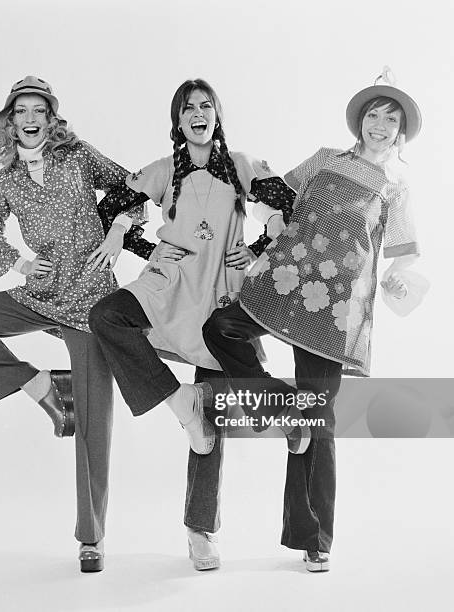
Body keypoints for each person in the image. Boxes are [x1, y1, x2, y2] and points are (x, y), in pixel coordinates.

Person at [202, 68, 422, 572]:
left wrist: (397, 280)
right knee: (220, 328)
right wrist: (274, 218)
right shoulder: (325, 160)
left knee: (318, 419)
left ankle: (314, 537)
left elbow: (403, 254)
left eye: (392, 119)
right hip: (285, 281)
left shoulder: (395, 186)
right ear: (360, 121)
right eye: (374, 114)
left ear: (402, 130)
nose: (381, 125)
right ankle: (280, 408)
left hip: (338, 308)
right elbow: (272, 194)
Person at [0, 76, 147, 573]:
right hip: (41, 296)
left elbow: (131, 186)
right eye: (20, 111)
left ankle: (90, 538)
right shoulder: (5, 181)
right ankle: (43, 385)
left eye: (39, 111)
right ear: (9, 122)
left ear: (51, 120)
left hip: (94, 304)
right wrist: (21, 264)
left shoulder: (77, 158)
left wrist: (117, 230)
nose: (29, 119)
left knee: (94, 424)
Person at [88, 78, 296, 570]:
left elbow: (286, 202)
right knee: (107, 316)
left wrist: (262, 245)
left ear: (216, 116)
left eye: (205, 106)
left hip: (220, 290)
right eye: (188, 108)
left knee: (213, 417)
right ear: (178, 122)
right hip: (169, 282)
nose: (197, 114)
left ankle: (200, 530)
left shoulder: (240, 165)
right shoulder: (164, 172)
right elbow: (108, 207)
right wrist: (135, 239)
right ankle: (176, 400)